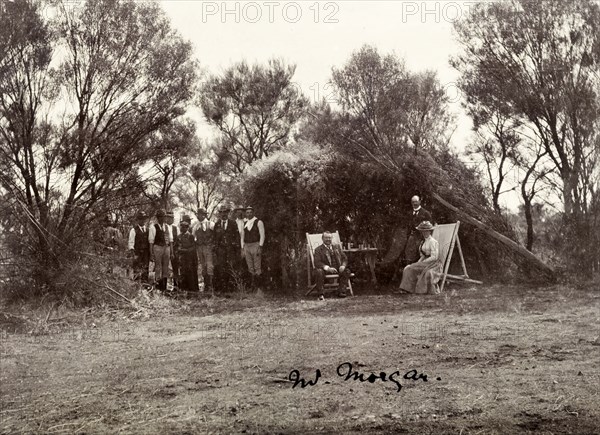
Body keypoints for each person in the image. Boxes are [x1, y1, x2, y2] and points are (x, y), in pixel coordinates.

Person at [399, 221, 442, 294]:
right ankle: (407, 289)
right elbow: (422, 255)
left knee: (413, 268)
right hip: (425, 262)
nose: (425, 233)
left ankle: (420, 290)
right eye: (423, 231)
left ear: (430, 231)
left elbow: (434, 257)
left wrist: (423, 262)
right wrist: (418, 262)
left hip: (433, 264)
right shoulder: (423, 242)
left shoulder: (433, 242)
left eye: (426, 231)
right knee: (409, 268)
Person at [313, 231, 351, 300]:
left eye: (329, 238)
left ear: (332, 238)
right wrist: (328, 268)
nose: (328, 239)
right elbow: (317, 262)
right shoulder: (318, 250)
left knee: (347, 271)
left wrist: (343, 265)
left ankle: (341, 291)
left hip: (337, 268)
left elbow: (344, 258)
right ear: (322, 238)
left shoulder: (336, 247)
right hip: (325, 270)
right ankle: (321, 294)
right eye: (326, 238)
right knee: (319, 271)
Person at [214, 204, 240, 292]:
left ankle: (232, 288)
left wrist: (236, 249)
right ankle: (223, 289)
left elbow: (237, 237)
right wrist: (216, 249)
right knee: (221, 268)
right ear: (219, 214)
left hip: (231, 250)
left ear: (228, 213)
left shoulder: (233, 223)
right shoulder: (217, 224)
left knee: (231, 268)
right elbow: (215, 239)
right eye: (221, 212)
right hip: (221, 251)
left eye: (225, 212)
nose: (223, 214)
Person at [241, 206, 265, 290]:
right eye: (247, 212)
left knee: (257, 267)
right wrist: (242, 248)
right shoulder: (244, 223)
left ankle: (259, 289)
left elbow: (262, 235)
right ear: (245, 213)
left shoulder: (258, 222)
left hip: (256, 245)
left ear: (253, 213)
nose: (249, 214)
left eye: (250, 212)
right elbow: (242, 236)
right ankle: (253, 287)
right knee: (250, 267)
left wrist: (260, 246)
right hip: (247, 246)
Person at [404, 195, 433, 264]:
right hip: (412, 237)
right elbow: (408, 227)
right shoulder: (409, 213)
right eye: (413, 202)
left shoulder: (426, 213)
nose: (414, 203)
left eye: (416, 201)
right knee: (409, 255)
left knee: (420, 255)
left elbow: (430, 227)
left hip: (422, 238)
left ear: (420, 202)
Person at [149, 209, 173, 291]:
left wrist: (171, 252)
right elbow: (151, 242)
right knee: (158, 267)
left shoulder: (167, 227)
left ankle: (164, 287)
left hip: (166, 248)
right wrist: (151, 253)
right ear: (157, 218)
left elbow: (171, 240)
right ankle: (158, 287)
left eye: (163, 217)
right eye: (160, 217)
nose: (162, 219)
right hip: (157, 247)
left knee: (165, 267)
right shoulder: (153, 227)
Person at [193, 207, 215, 294]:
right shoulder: (196, 226)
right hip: (200, 248)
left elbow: (215, 235)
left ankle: (211, 286)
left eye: (201, 214)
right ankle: (206, 286)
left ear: (205, 215)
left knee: (209, 266)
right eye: (198, 214)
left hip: (209, 248)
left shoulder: (211, 224)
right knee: (203, 266)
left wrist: (212, 245)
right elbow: (193, 237)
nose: (199, 216)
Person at [177, 218, 199, 293]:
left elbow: (193, 247)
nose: (182, 228)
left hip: (190, 257)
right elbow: (177, 246)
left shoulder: (191, 236)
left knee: (190, 272)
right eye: (181, 226)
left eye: (184, 227)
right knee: (183, 272)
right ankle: (184, 288)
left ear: (187, 228)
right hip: (182, 257)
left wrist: (185, 250)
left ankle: (192, 289)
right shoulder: (179, 236)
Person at [128, 211, 150, 284]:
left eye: (144, 219)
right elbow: (131, 242)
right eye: (140, 219)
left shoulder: (148, 230)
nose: (142, 221)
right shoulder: (134, 230)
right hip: (137, 252)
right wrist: (132, 251)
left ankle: (145, 284)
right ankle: (136, 284)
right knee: (137, 267)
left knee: (145, 267)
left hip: (146, 252)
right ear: (137, 220)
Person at [166, 211, 179, 290]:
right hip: (165, 249)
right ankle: (165, 286)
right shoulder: (164, 227)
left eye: (171, 218)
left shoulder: (176, 228)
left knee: (175, 268)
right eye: (168, 217)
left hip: (174, 250)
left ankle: (176, 286)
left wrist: (174, 250)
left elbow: (178, 239)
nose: (170, 219)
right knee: (165, 268)